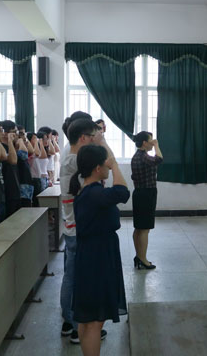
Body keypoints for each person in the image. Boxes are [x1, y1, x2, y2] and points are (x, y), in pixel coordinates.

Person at [70, 144, 130, 356]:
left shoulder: (89, 191)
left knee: (88, 320)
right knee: (94, 321)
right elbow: (123, 192)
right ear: (98, 168)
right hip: (97, 258)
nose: (109, 167)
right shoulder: (95, 194)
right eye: (106, 164)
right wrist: (116, 166)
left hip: (93, 254)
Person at [59, 118, 103, 344]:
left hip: (71, 226)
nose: (96, 139)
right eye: (94, 136)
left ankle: (69, 321)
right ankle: (78, 327)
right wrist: (102, 142)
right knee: (77, 279)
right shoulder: (77, 161)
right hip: (79, 228)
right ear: (84, 138)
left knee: (71, 275)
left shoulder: (69, 157)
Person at [130, 131, 163, 269]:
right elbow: (159, 159)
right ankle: (143, 259)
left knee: (139, 228)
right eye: (151, 140)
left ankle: (139, 256)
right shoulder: (143, 156)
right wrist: (157, 145)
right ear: (144, 143)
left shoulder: (137, 156)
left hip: (139, 193)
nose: (152, 143)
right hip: (146, 194)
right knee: (144, 229)